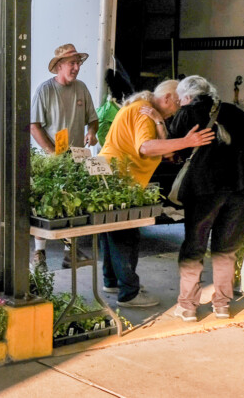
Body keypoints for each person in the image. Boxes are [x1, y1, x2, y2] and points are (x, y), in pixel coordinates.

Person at [98, 80, 215, 308]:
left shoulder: (145, 109)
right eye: (178, 103)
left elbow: (164, 149)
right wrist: (187, 141)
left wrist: (161, 123)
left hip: (114, 176)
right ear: (168, 98)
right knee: (125, 235)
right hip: (121, 178)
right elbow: (146, 147)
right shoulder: (143, 112)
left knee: (111, 232)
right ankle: (129, 294)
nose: (178, 109)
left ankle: (113, 282)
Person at [166, 76, 244, 322]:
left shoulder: (186, 113)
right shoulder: (234, 112)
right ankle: (222, 305)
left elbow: (170, 150)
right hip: (239, 189)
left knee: (194, 246)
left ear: (187, 97)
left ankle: (188, 306)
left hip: (203, 191)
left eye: (180, 99)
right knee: (226, 249)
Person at [30, 43, 99, 272]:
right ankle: (39, 252)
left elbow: (93, 119)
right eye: (72, 63)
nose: (77, 67)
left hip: (76, 158)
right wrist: (52, 152)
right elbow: (34, 126)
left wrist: (91, 132)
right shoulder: (45, 90)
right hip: (52, 159)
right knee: (46, 204)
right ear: (59, 65)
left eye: (78, 63)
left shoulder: (81, 88)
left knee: (72, 204)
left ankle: (70, 251)